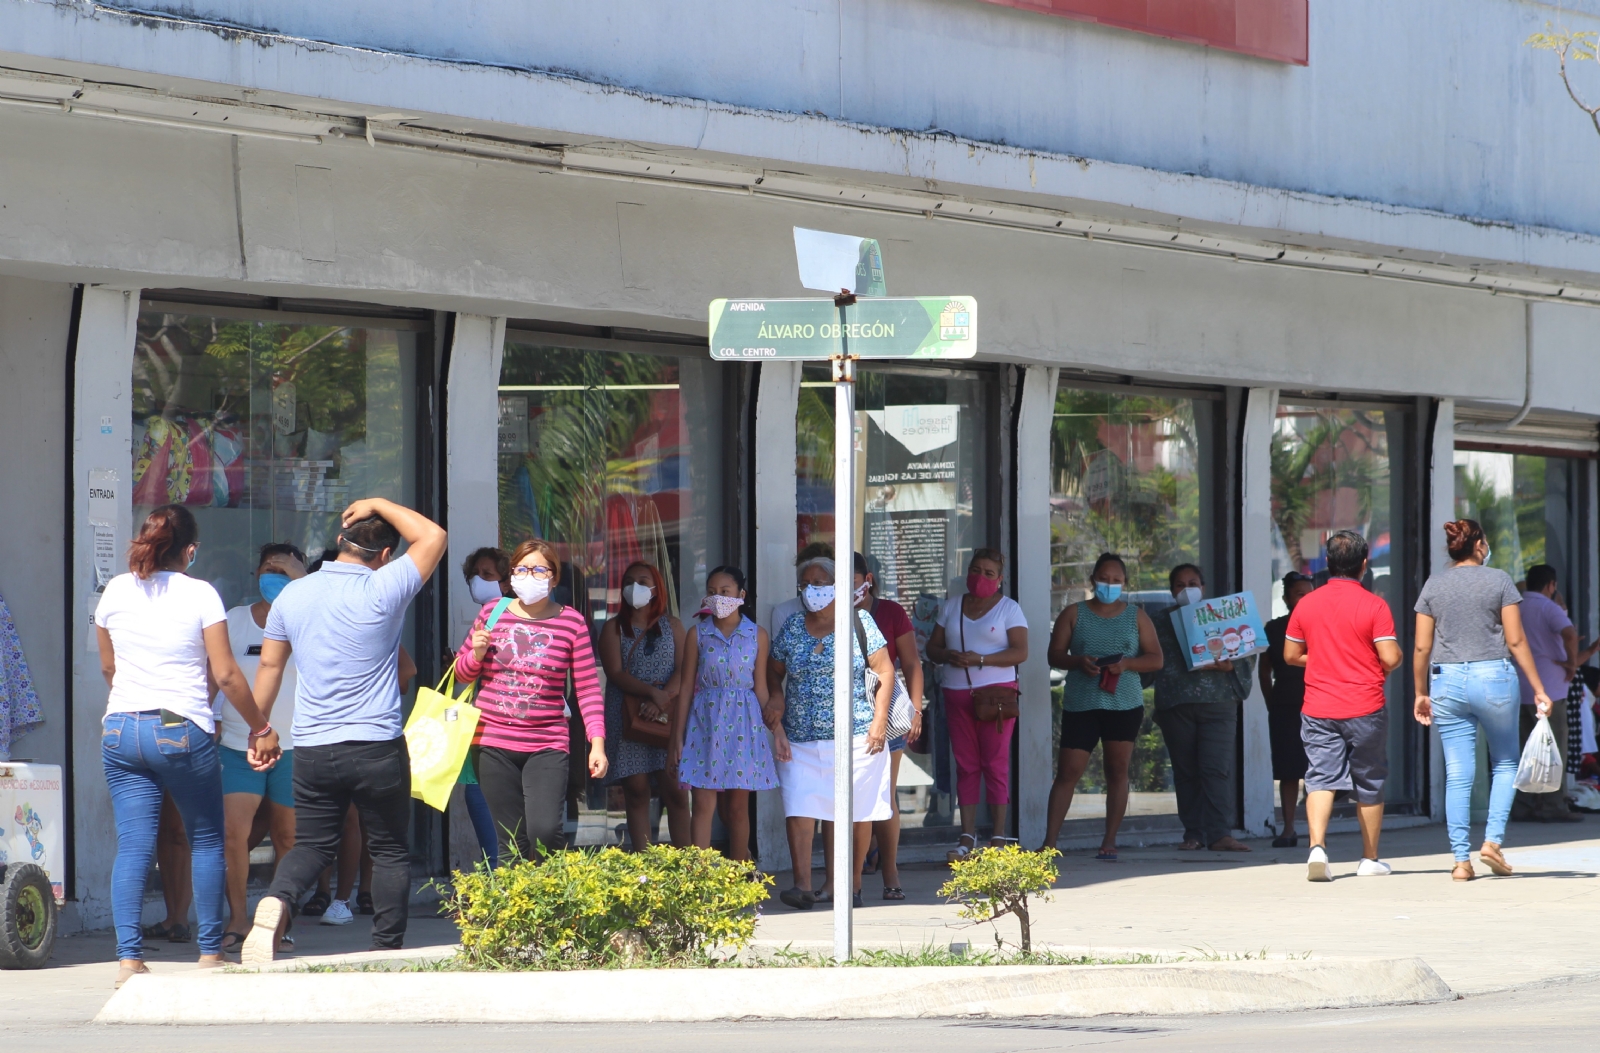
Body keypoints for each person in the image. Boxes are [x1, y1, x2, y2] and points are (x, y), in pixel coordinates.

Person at [241, 498, 447, 963]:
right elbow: (433, 536)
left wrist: (260, 728)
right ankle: (385, 949)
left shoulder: (292, 595)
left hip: (313, 746)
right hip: (376, 743)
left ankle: (277, 900)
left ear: (339, 543)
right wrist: (378, 504)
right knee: (391, 849)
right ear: (386, 556)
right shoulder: (385, 586)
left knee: (312, 845)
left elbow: (271, 665)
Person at [94, 504, 281, 986]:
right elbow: (224, 673)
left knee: (134, 845)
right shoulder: (200, 594)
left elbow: (108, 670)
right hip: (177, 723)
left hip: (120, 725)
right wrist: (260, 728)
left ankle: (128, 959)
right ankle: (209, 955)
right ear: (191, 550)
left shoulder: (115, 589)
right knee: (206, 838)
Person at [1412, 519, 1556, 880]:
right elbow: (1517, 641)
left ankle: (1461, 861)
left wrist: (1420, 692)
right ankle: (1492, 842)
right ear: (1477, 545)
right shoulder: (1499, 580)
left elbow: (1421, 646)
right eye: (1485, 540)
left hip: (1446, 680)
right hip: (1493, 677)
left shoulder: (1434, 584)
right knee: (1505, 761)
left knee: (1458, 773)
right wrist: (1539, 688)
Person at [453, 538, 608, 861]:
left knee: (545, 831)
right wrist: (477, 654)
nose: (529, 576)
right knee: (510, 842)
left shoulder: (572, 623)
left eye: (538, 569)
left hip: (547, 742)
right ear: (510, 577)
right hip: (492, 741)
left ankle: (547, 897)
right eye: (521, 569)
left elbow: (588, 689)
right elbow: (462, 675)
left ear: (553, 577)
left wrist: (597, 743)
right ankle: (515, 909)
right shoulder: (490, 614)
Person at [767, 556, 894, 910]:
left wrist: (879, 720)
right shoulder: (792, 628)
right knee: (800, 806)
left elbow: (885, 671)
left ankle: (850, 886)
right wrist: (776, 697)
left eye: (820, 583)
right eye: (806, 584)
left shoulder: (860, 621)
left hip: (856, 736)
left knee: (855, 812)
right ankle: (803, 886)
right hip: (801, 737)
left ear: (838, 586)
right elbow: (773, 672)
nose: (812, 591)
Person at [1283, 530, 1404, 881]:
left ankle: (1317, 848)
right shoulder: (1374, 605)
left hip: (1318, 705)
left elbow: (1291, 655)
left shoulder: (1307, 603)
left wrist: (1324, 658)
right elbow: (1389, 656)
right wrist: (1383, 657)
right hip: (1365, 705)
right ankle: (1369, 858)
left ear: (1329, 563)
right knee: (1368, 780)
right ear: (1364, 565)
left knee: (1320, 778)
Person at [1042, 553, 1163, 860]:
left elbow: (1156, 658)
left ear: (1125, 583)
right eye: (1104, 578)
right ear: (1093, 579)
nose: (1110, 584)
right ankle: (1049, 843)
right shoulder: (1074, 613)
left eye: (1116, 580)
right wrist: (1077, 661)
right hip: (1082, 702)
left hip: (1124, 703)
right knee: (1068, 771)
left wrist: (1126, 665)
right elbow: (1054, 655)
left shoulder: (1137, 616)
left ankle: (1109, 840)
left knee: (1117, 770)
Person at [216, 542, 306, 950]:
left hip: (295, 745)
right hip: (239, 744)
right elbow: (218, 673)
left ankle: (277, 921)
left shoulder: (312, 620)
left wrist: (305, 587)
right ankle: (237, 918)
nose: (274, 577)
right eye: (268, 569)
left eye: (284, 570)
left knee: (288, 838)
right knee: (235, 836)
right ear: (256, 575)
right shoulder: (235, 621)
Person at [925, 548, 1029, 858]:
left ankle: (998, 837)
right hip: (955, 693)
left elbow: (1020, 652)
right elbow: (933, 648)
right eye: (975, 570)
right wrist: (949, 656)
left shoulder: (1009, 609)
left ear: (1000, 579)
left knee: (995, 765)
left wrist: (981, 659)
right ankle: (967, 836)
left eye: (988, 573)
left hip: (995, 696)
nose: (980, 577)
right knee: (966, 765)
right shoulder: (952, 605)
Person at [669, 565, 779, 859]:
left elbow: (761, 689)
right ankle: (701, 879)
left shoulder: (757, 635)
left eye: (725, 592)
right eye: (712, 592)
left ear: (741, 595)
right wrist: (676, 739)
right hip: (705, 727)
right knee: (703, 805)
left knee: (737, 808)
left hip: (744, 727)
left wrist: (777, 732)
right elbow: (684, 690)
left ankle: (739, 872)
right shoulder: (697, 634)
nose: (717, 598)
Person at [1151, 564, 1255, 852]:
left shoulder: (1223, 615)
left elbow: (1249, 647)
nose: (1187, 590)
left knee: (1215, 769)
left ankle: (1220, 834)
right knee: (1185, 772)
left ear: (1204, 588)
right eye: (1180, 585)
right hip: (1176, 705)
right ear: (1172, 591)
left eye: (1193, 583)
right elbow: (1148, 658)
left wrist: (1231, 664)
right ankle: (1193, 835)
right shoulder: (1158, 622)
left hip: (1219, 703)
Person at [598, 560, 690, 849]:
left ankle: (687, 864)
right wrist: (651, 693)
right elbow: (615, 673)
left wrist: (663, 699)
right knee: (636, 790)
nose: (635, 587)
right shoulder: (614, 628)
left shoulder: (672, 625)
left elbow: (685, 668)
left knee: (674, 790)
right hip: (628, 713)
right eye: (629, 581)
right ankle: (645, 863)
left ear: (656, 587)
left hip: (668, 711)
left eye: (642, 580)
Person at [854, 553, 924, 899]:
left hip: (887, 712)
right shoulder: (826, 613)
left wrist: (915, 710)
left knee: (885, 795)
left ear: (866, 578)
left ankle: (890, 871)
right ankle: (852, 877)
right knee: (851, 800)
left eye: (851, 581)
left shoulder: (892, 613)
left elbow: (911, 663)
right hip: (845, 718)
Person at [1512, 563, 1582, 823]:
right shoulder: (1548, 607)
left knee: (1524, 750)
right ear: (1550, 585)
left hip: (1519, 687)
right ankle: (1553, 805)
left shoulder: (1515, 606)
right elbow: (1570, 634)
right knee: (1555, 749)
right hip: (1550, 689)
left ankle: (1523, 804)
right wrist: (1572, 663)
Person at [458, 548, 510, 868]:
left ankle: (494, 877)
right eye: (475, 574)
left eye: (488, 574)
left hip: (494, 723)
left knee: (479, 794)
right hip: (486, 719)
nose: (479, 580)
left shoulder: (497, 613)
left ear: (506, 582)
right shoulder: (488, 616)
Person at [1260, 571, 1316, 847]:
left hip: (1320, 704)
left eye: (1310, 594)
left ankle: (1318, 832)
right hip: (1285, 706)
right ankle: (1289, 828)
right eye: (1299, 594)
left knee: (1321, 769)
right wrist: (1271, 701)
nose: (1306, 599)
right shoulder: (1273, 629)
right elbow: (1264, 669)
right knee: (1289, 770)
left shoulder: (1324, 625)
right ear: (1286, 599)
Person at [768, 541, 834, 639]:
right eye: (805, 583)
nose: (810, 589)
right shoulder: (785, 614)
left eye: (817, 582)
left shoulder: (850, 614)